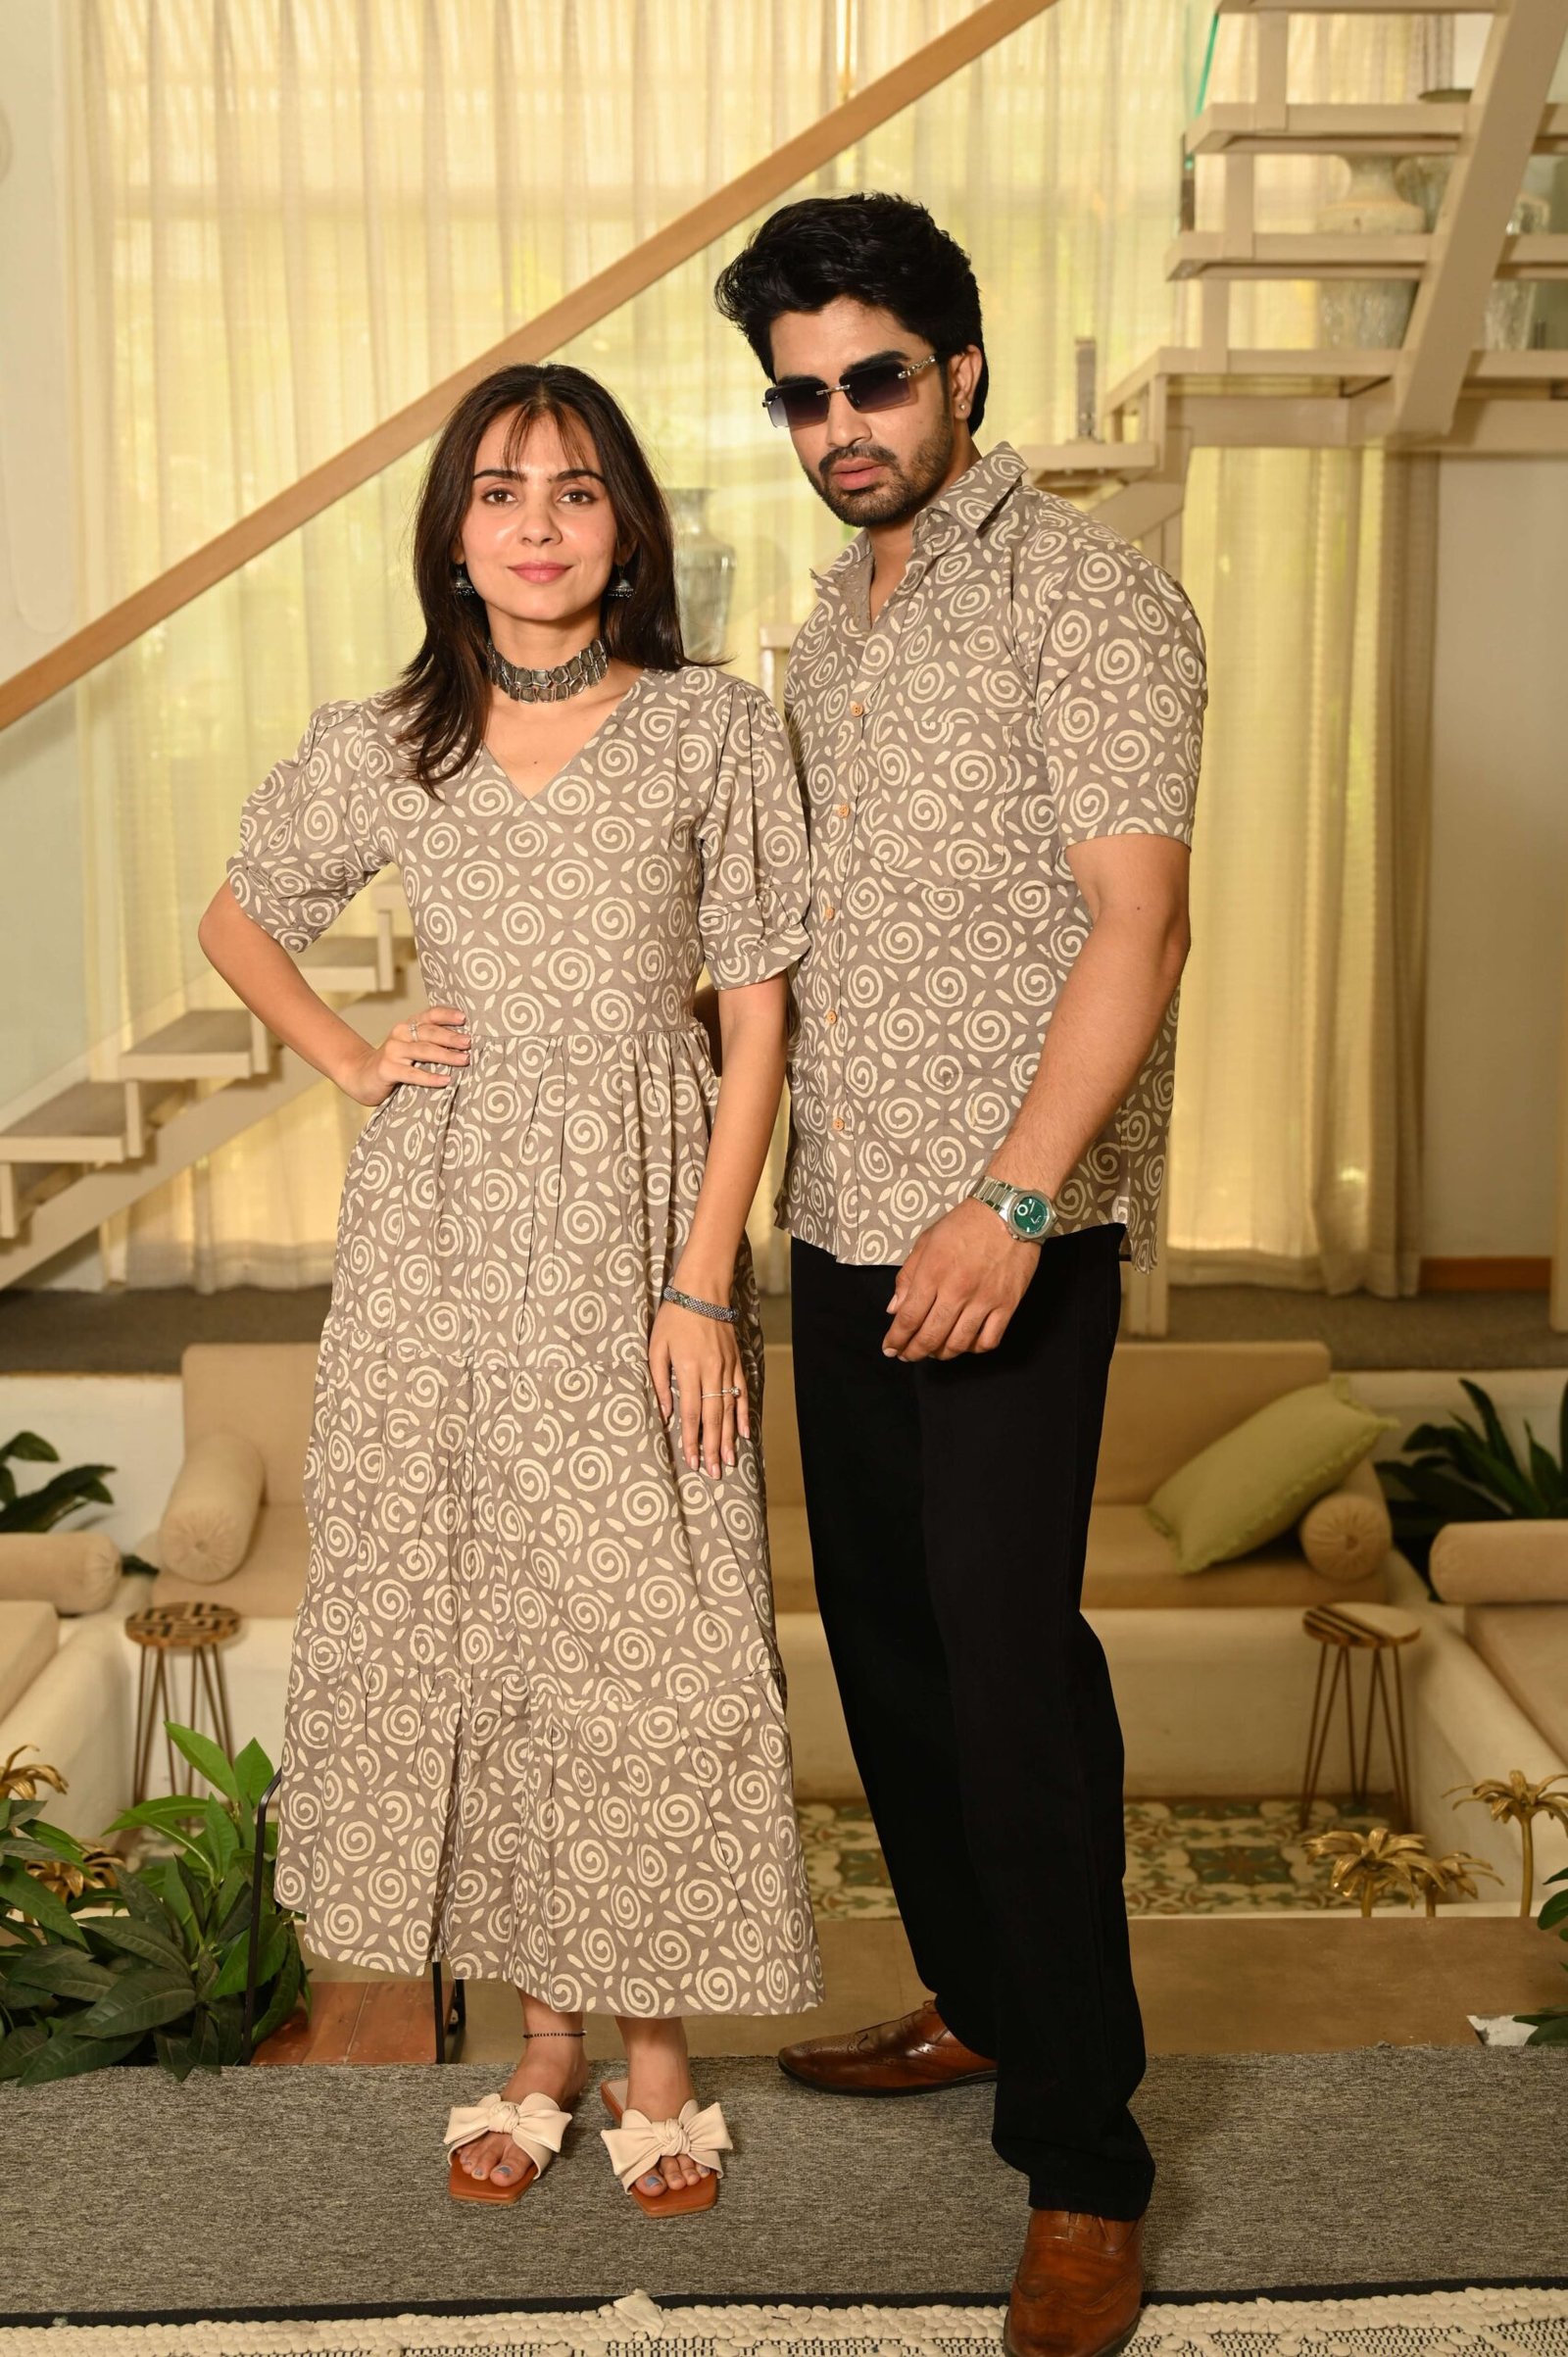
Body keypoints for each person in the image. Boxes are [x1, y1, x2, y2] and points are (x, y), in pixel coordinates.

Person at [198, 361, 822, 2219]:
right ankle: (543, 2045)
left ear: (626, 521)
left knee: (650, 1630)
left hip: (644, 1218)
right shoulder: (402, 730)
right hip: (446, 1236)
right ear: (452, 534)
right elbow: (240, 908)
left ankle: (655, 2051)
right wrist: (347, 1055)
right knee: (494, 1629)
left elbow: (765, 1009)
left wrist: (705, 1279)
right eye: (497, 491)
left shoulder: (715, 728)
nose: (536, 523)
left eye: (571, 489)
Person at [713, 195, 1206, 2352]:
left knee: (1008, 1678)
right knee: (893, 1664)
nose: (840, 423)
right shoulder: (823, 628)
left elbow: (1135, 923)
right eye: (801, 394)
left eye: (876, 379)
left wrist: (1005, 1203)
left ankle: (1085, 2167)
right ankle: (988, 2005)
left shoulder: (1083, 597)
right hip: (837, 1221)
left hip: (1004, 1230)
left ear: (963, 370)